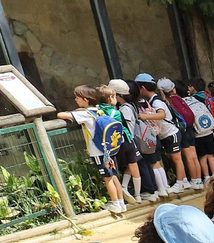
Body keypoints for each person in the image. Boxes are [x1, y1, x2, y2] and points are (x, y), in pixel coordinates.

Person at [57, 84, 127, 214]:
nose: (75, 100)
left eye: (77, 97)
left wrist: (72, 112)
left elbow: (61, 115)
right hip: (109, 149)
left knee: (108, 179)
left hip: (98, 152)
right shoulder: (100, 110)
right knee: (114, 176)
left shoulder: (85, 114)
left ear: (85, 100)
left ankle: (115, 204)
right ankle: (121, 203)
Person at [97, 81, 151, 203]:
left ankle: (123, 188)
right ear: (110, 98)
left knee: (119, 167)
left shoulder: (99, 112)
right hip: (128, 140)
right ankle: (137, 195)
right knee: (133, 164)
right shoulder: (119, 111)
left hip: (113, 144)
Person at [136, 74, 187, 193]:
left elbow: (161, 114)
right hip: (165, 134)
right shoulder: (153, 100)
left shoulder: (156, 101)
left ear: (143, 88)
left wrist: (144, 116)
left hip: (170, 133)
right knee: (176, 158)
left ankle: (180, 183)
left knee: (177, 159)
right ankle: (183, 181)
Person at [158, 77, 204, 188]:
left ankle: (193, 180)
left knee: (188, 157)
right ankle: (198, 180)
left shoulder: (168, 102)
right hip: (189, 128)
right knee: (194, 155)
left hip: (181, 129)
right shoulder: (179, 98)